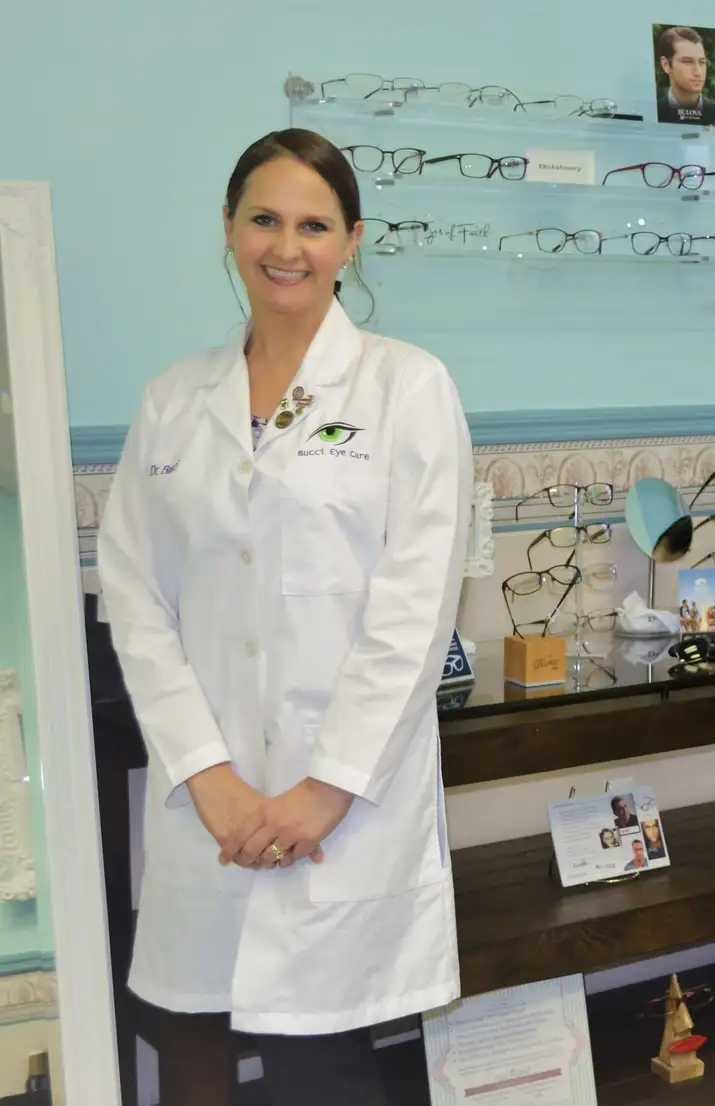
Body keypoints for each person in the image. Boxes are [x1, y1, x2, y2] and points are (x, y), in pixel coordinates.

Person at [97, 128, 472, 1106]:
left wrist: (325, 789)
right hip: (208, 803)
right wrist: (208, 775)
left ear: (352, 240)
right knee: (192, 1041)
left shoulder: (407, 387)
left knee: (324, 1063)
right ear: (228, 230)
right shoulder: (173, 400)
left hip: (343, 804)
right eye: (264, 218)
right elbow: (136, 598)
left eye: (313, 224)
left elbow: (414, 611)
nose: (286, 245)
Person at [655, 25, 715, 125]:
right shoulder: (653, 112)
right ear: (666, 65)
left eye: (702, 62)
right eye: (687, 62)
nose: (698, 72)